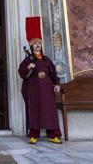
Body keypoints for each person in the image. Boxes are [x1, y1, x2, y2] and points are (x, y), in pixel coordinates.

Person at [18, 16, 62, 144]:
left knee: (49, 111)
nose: (37, 45)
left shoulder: (46, 60)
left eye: (39, 43)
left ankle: (53, 134)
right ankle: (34, 134)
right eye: (35, 43)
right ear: (31, 46)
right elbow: (21, 73)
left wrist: (57, 84)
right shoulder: (28, 60)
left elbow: (53, 73)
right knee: (34, 110)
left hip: (47, 91)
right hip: (33, 91)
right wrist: (28, 67)